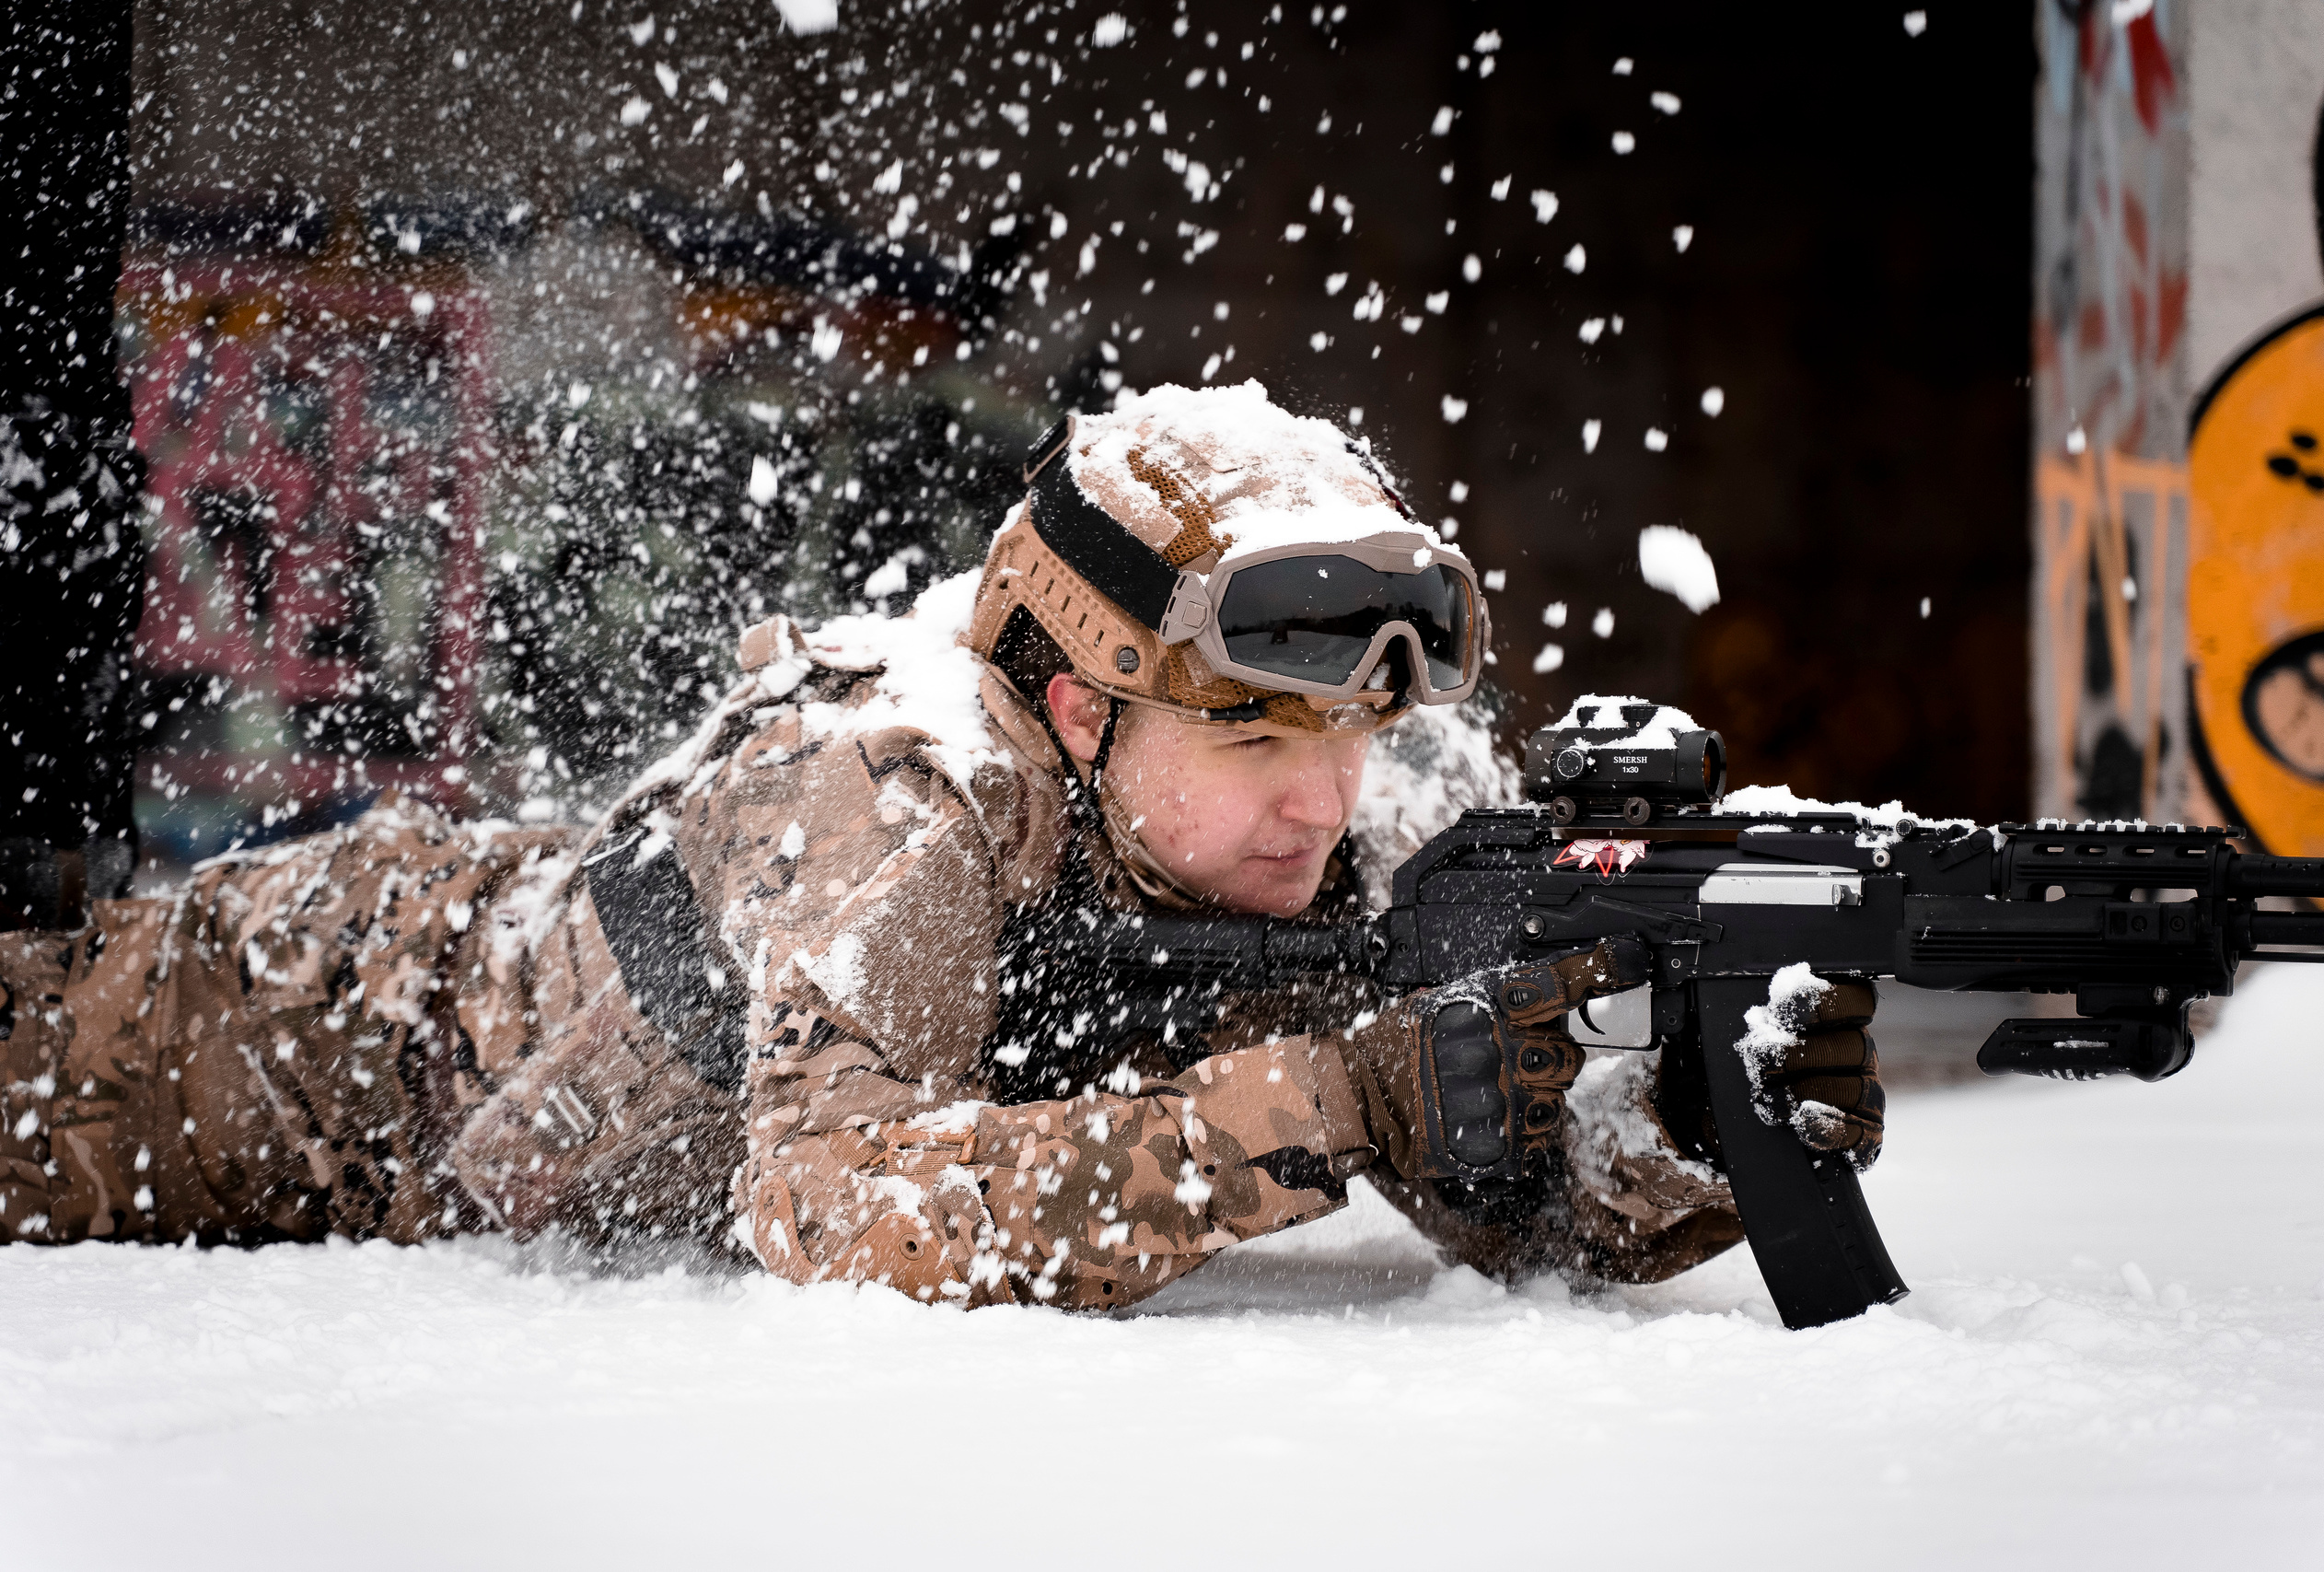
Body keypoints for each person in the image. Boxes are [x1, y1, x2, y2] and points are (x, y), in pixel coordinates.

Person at [0, 382, 1885, 1306]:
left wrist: (1689, 1114)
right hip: (300, 1021)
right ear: (1076, 704)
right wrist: (1319, 1099)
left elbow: (1487, 1183)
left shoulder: (1338, 835)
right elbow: (822, 1209)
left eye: (1348, 732)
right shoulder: (902, 791)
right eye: (1247, 727)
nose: (1317, 799)